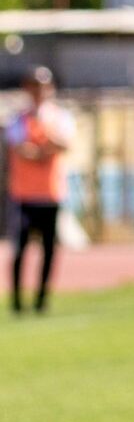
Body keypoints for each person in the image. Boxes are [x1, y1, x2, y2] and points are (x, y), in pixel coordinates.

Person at [8, 67, 75, 316]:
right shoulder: (19, 119)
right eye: (34, 85)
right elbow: (21, 149)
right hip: (24, 195)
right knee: (20, 250)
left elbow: (63, 143)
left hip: (50, 193)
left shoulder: (58, 117)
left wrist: (42, 146)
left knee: (48, 251)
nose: (38, 91)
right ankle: (16, 301)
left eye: (43, 86)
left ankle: (41, 300)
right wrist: (44, 148)